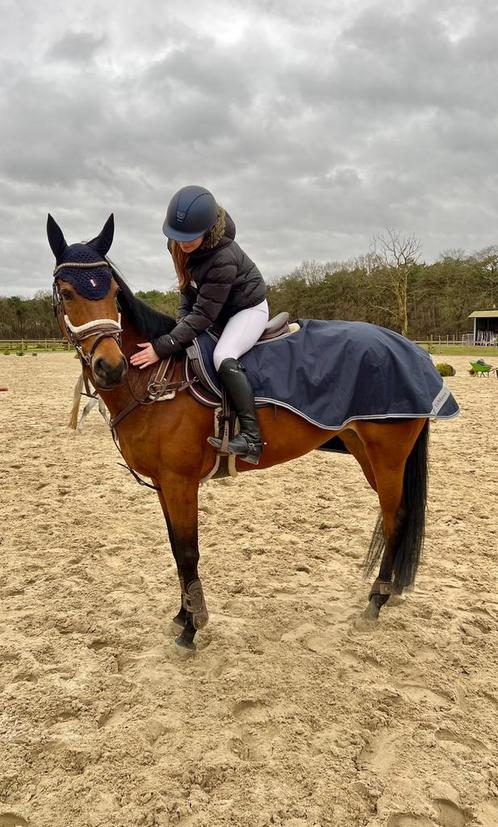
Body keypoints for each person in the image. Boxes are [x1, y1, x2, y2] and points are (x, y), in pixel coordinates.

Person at [130, 185, 268, 464]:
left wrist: (162, 346)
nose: (183, 243)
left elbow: (203, 314)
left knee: (223, 356)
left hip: (246, 309)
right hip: (215, 309)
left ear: (208, 230)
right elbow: (187, 289)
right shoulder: (177, 244)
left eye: (190, 237)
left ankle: (252, 438)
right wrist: (180, 320)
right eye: (178, 237)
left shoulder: (223, 258)